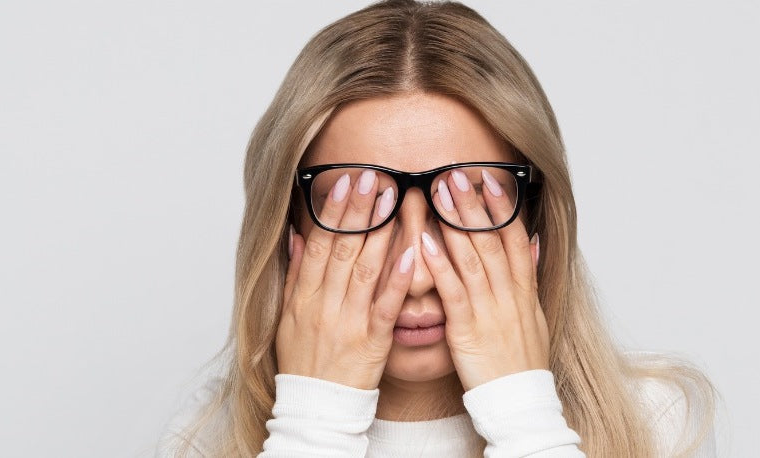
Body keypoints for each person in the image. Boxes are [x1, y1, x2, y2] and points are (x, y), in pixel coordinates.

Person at [156, 0, 717, 456]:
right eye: (361, 207)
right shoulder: (208, 434)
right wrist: (313, 424)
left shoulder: (660, 423)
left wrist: (526, 418)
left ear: (536, 225)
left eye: (470, 200)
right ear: (287, 231)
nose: (418, 273)